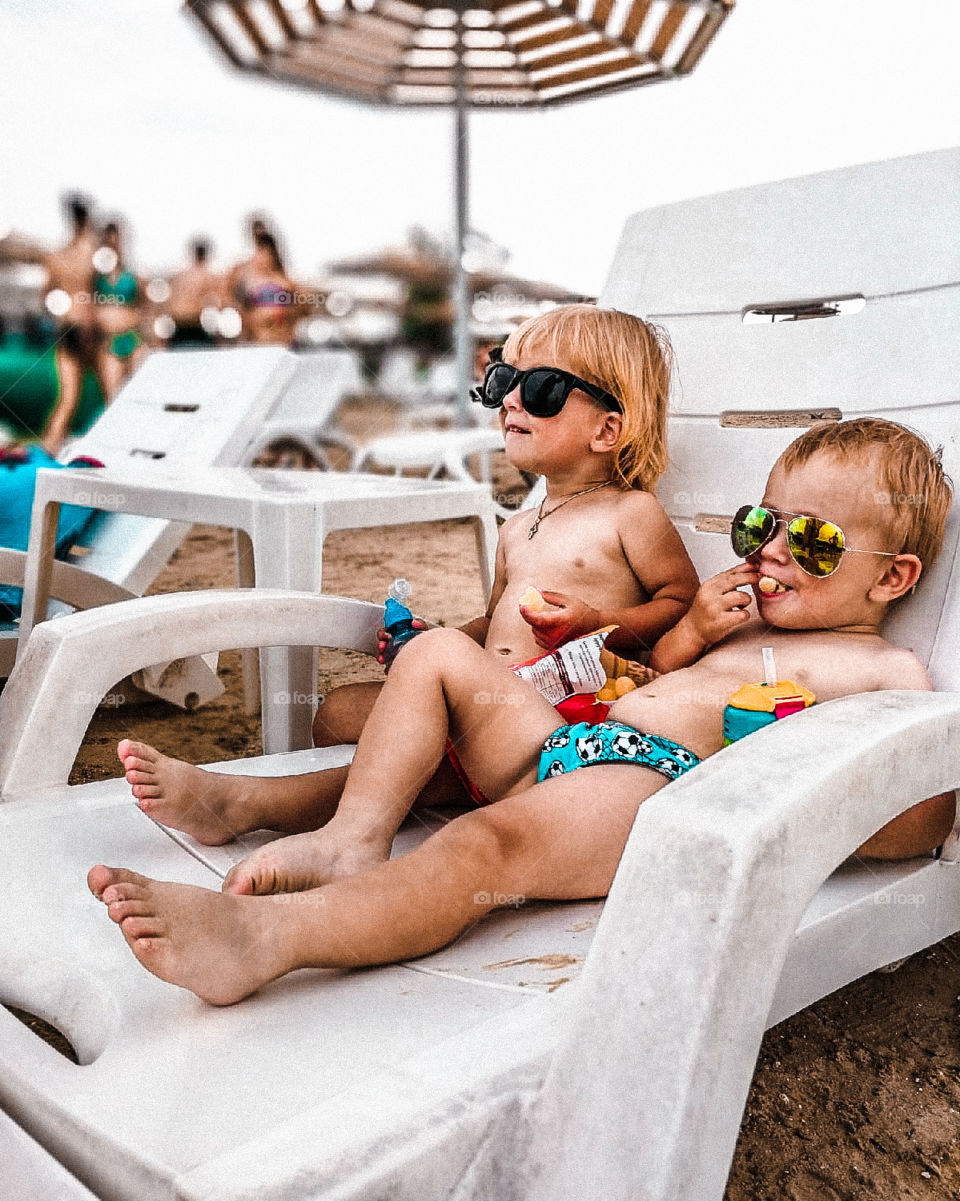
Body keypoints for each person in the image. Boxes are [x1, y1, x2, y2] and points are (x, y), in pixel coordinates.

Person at [89, 417, 957, 1006]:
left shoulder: (884, 669)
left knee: (480, 845)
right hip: (577, 739)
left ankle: (268, 939)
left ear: (892, 577)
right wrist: (691, 627)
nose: (772, 552)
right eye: (763, 524)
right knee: (435, 665)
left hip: (658, 789)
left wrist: (781, 801)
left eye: (813, 543)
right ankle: (313, 824)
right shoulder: (738, 624)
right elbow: (653, 670)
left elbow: (917, 809)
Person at [109, 303, 700, 854]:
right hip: (488, 709)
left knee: (406, 745)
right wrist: (428, 644)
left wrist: (595, 626)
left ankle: (246, 803)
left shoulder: (630, 513)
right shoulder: (518, 527)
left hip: (558, 723)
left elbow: (682, 603)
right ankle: (400, 785)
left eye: (541, 389)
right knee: (337, 712)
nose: (510, 402)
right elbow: (493, 622)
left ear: (607, 431)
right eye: (502, 381)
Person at [40, 193, 104, 454]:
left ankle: (45, 457)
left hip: (65, 326)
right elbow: (95, 294)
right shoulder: (92, 252)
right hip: (89, 329)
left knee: (67, 400)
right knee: (116, 397)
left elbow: (45, 296)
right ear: (87, 219)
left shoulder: (57, 255)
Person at [92, 220, 146, 401]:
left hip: (133, 338)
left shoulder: (132, 274)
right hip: (109, 340)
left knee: (138, 397)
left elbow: (145, 306)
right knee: (112, 399)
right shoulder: (94, 276)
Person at [165, 238, 221, 348]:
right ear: (206, 255)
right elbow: (217, 302)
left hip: (177, 324)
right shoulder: (206, 275)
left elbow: (168, 301)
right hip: (194, 324)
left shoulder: (180, 275)